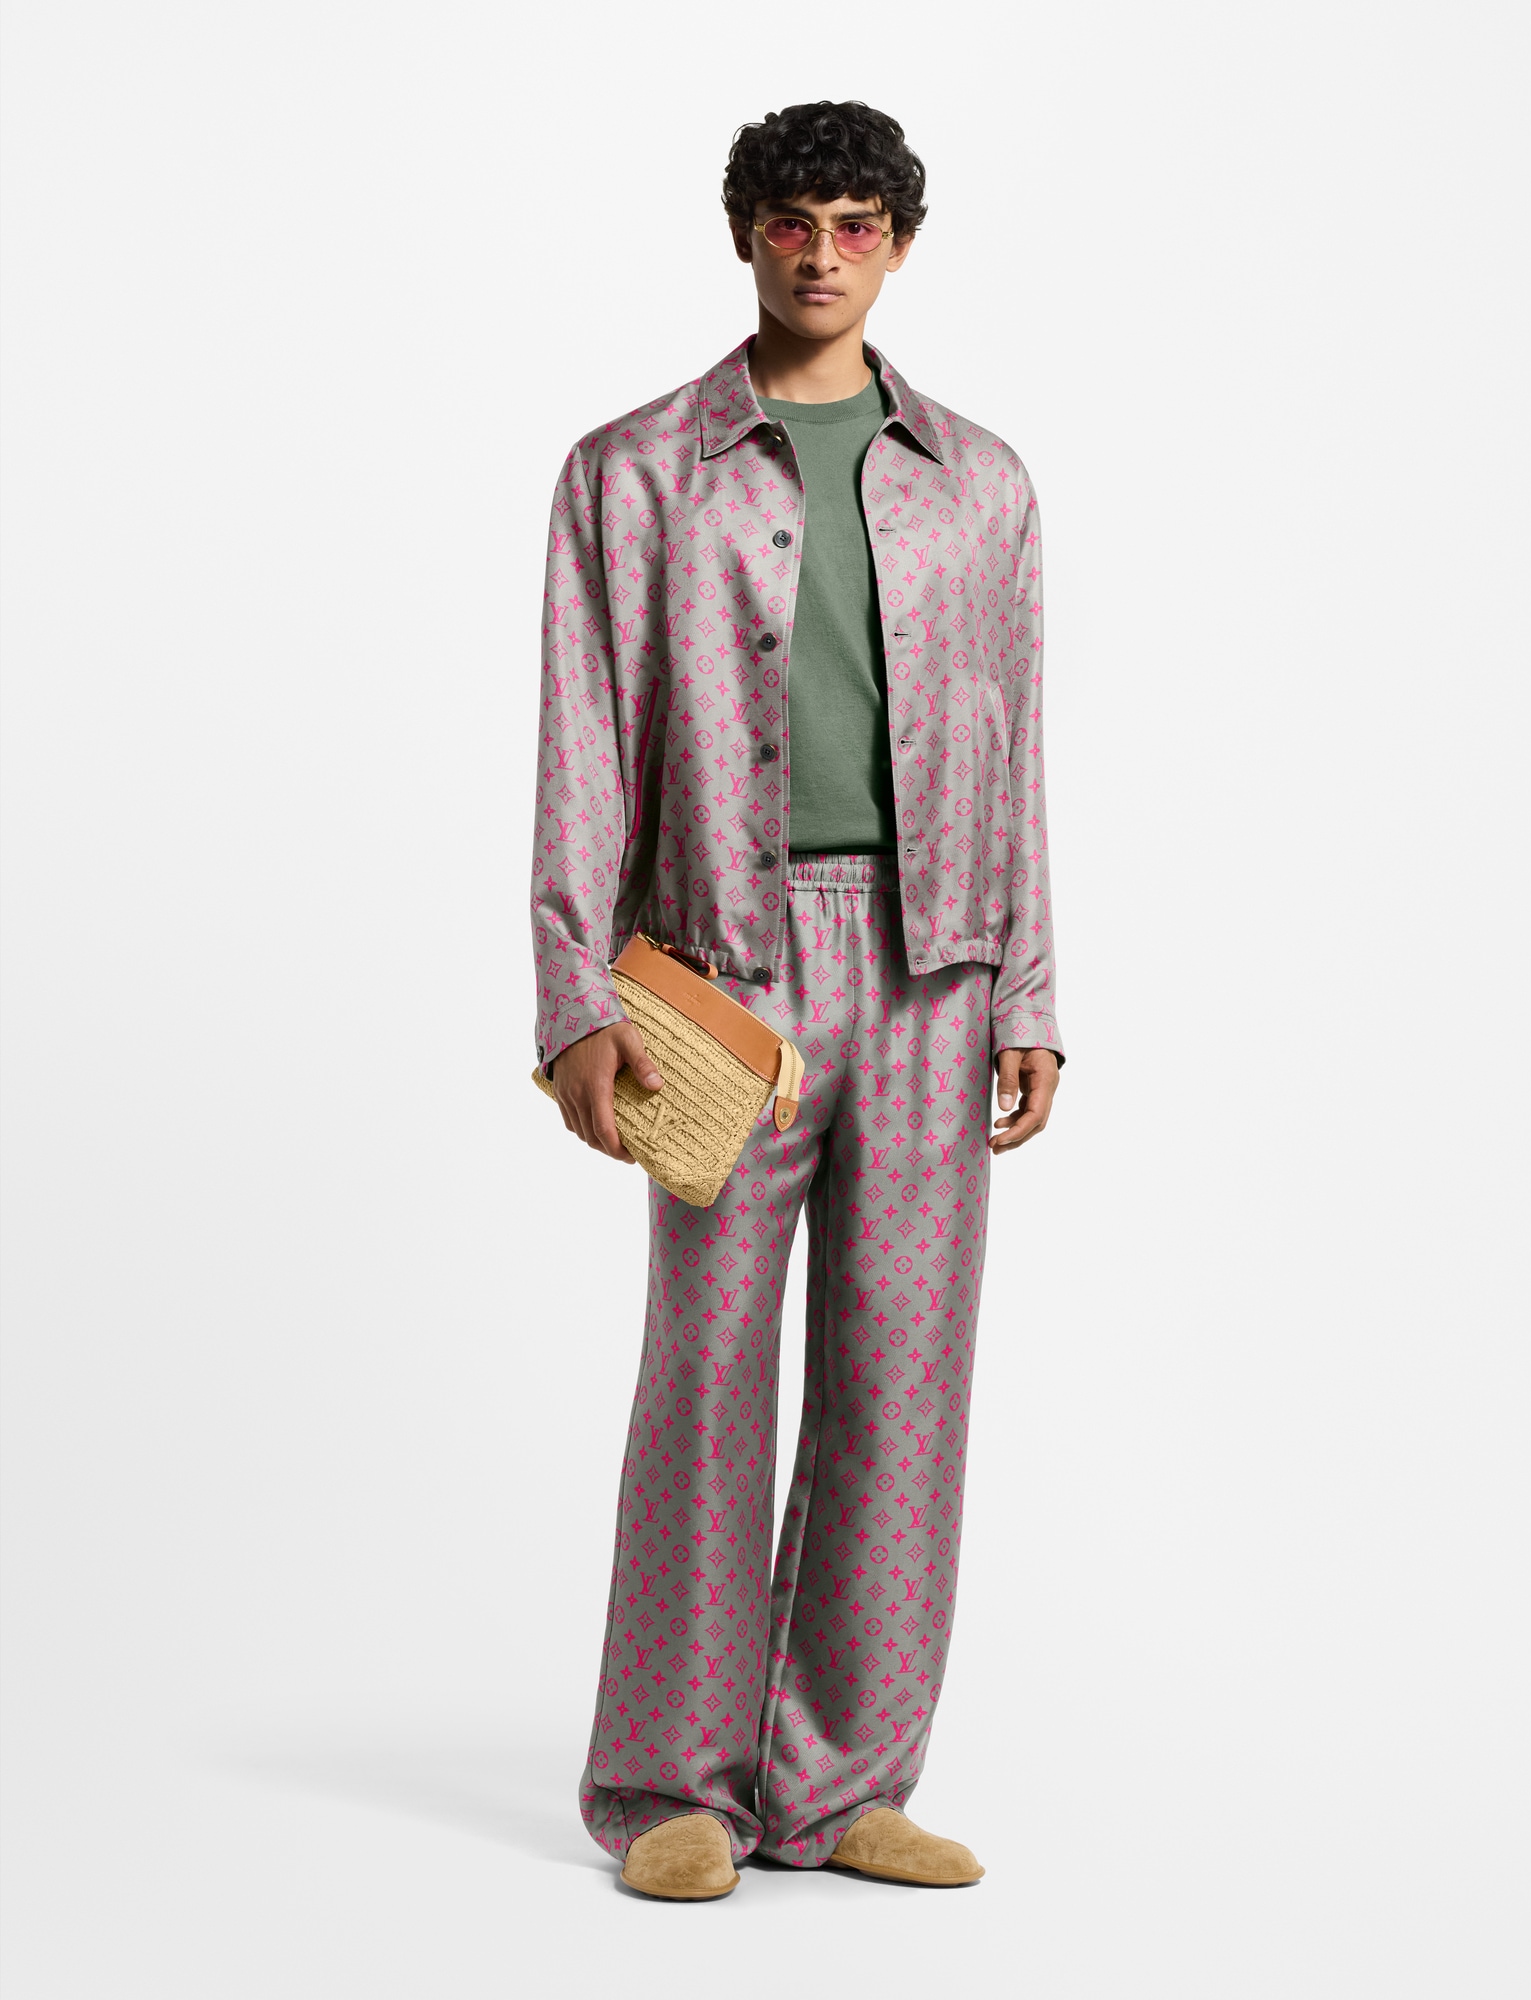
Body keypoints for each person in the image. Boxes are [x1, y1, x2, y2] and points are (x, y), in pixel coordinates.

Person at [532, 100, 1061, 1899]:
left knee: (905, 1378)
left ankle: (840, 1787)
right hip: (720, 972)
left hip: (936, 960)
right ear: (744, 234)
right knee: (706, 1369)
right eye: (791, 222)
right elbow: (584, 741)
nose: (822, 254)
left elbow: (1014, 740)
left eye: (854, 224)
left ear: (897, 243)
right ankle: (673, 1784)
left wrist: (1030, 987)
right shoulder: (632, 472)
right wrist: (572, 996)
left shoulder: (982, 480)